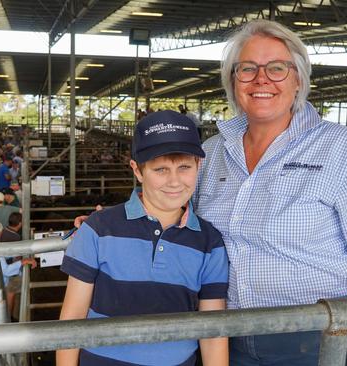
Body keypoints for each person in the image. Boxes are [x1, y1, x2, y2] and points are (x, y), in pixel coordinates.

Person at [192, 20, 347, 365]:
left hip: (316, 339)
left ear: (298, 80)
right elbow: (181, 224)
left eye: (277, 68)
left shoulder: (346, 150)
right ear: (233, 81)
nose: (261, 79)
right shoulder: (212, 152)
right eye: (247, 69)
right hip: (226, 338)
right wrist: (112, 224)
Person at [57, 110, 229, 366]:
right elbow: (72, 317)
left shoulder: (209, 242)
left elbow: (213, 330)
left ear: (198, 166)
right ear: (137, 170)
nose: (174, 181)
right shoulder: (98, 229)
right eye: (160, 169)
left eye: (184, 167)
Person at [0, 212, 36, 319]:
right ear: (19, 223)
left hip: (3, 267)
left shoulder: (4, 231)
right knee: (12, 293)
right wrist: (21, 264)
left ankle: (9, 316)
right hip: (11, 271)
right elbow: (16, 257)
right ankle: (9, 317)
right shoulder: (15, 237)